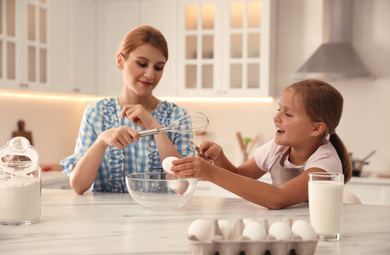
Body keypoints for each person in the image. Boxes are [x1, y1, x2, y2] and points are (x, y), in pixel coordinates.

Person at [171, 79, 352, 209]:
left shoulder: (326, 163)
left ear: (317, 128)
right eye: (279, 109)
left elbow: (278, 198)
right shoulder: (277, 149)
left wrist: (211, 173)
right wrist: (219, 158)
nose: (276, 117)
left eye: (288, 114)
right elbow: (239, 177)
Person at [61, 25, 194, 194]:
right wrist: (101, 141)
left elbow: (182, 187)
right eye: (142, 64)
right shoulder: (96, 113)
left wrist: (156, 128)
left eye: (158, 67)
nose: (150, 74)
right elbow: (78, 186)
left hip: (160, 218)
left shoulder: (178, 117)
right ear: (120, 61)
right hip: (104, 219)